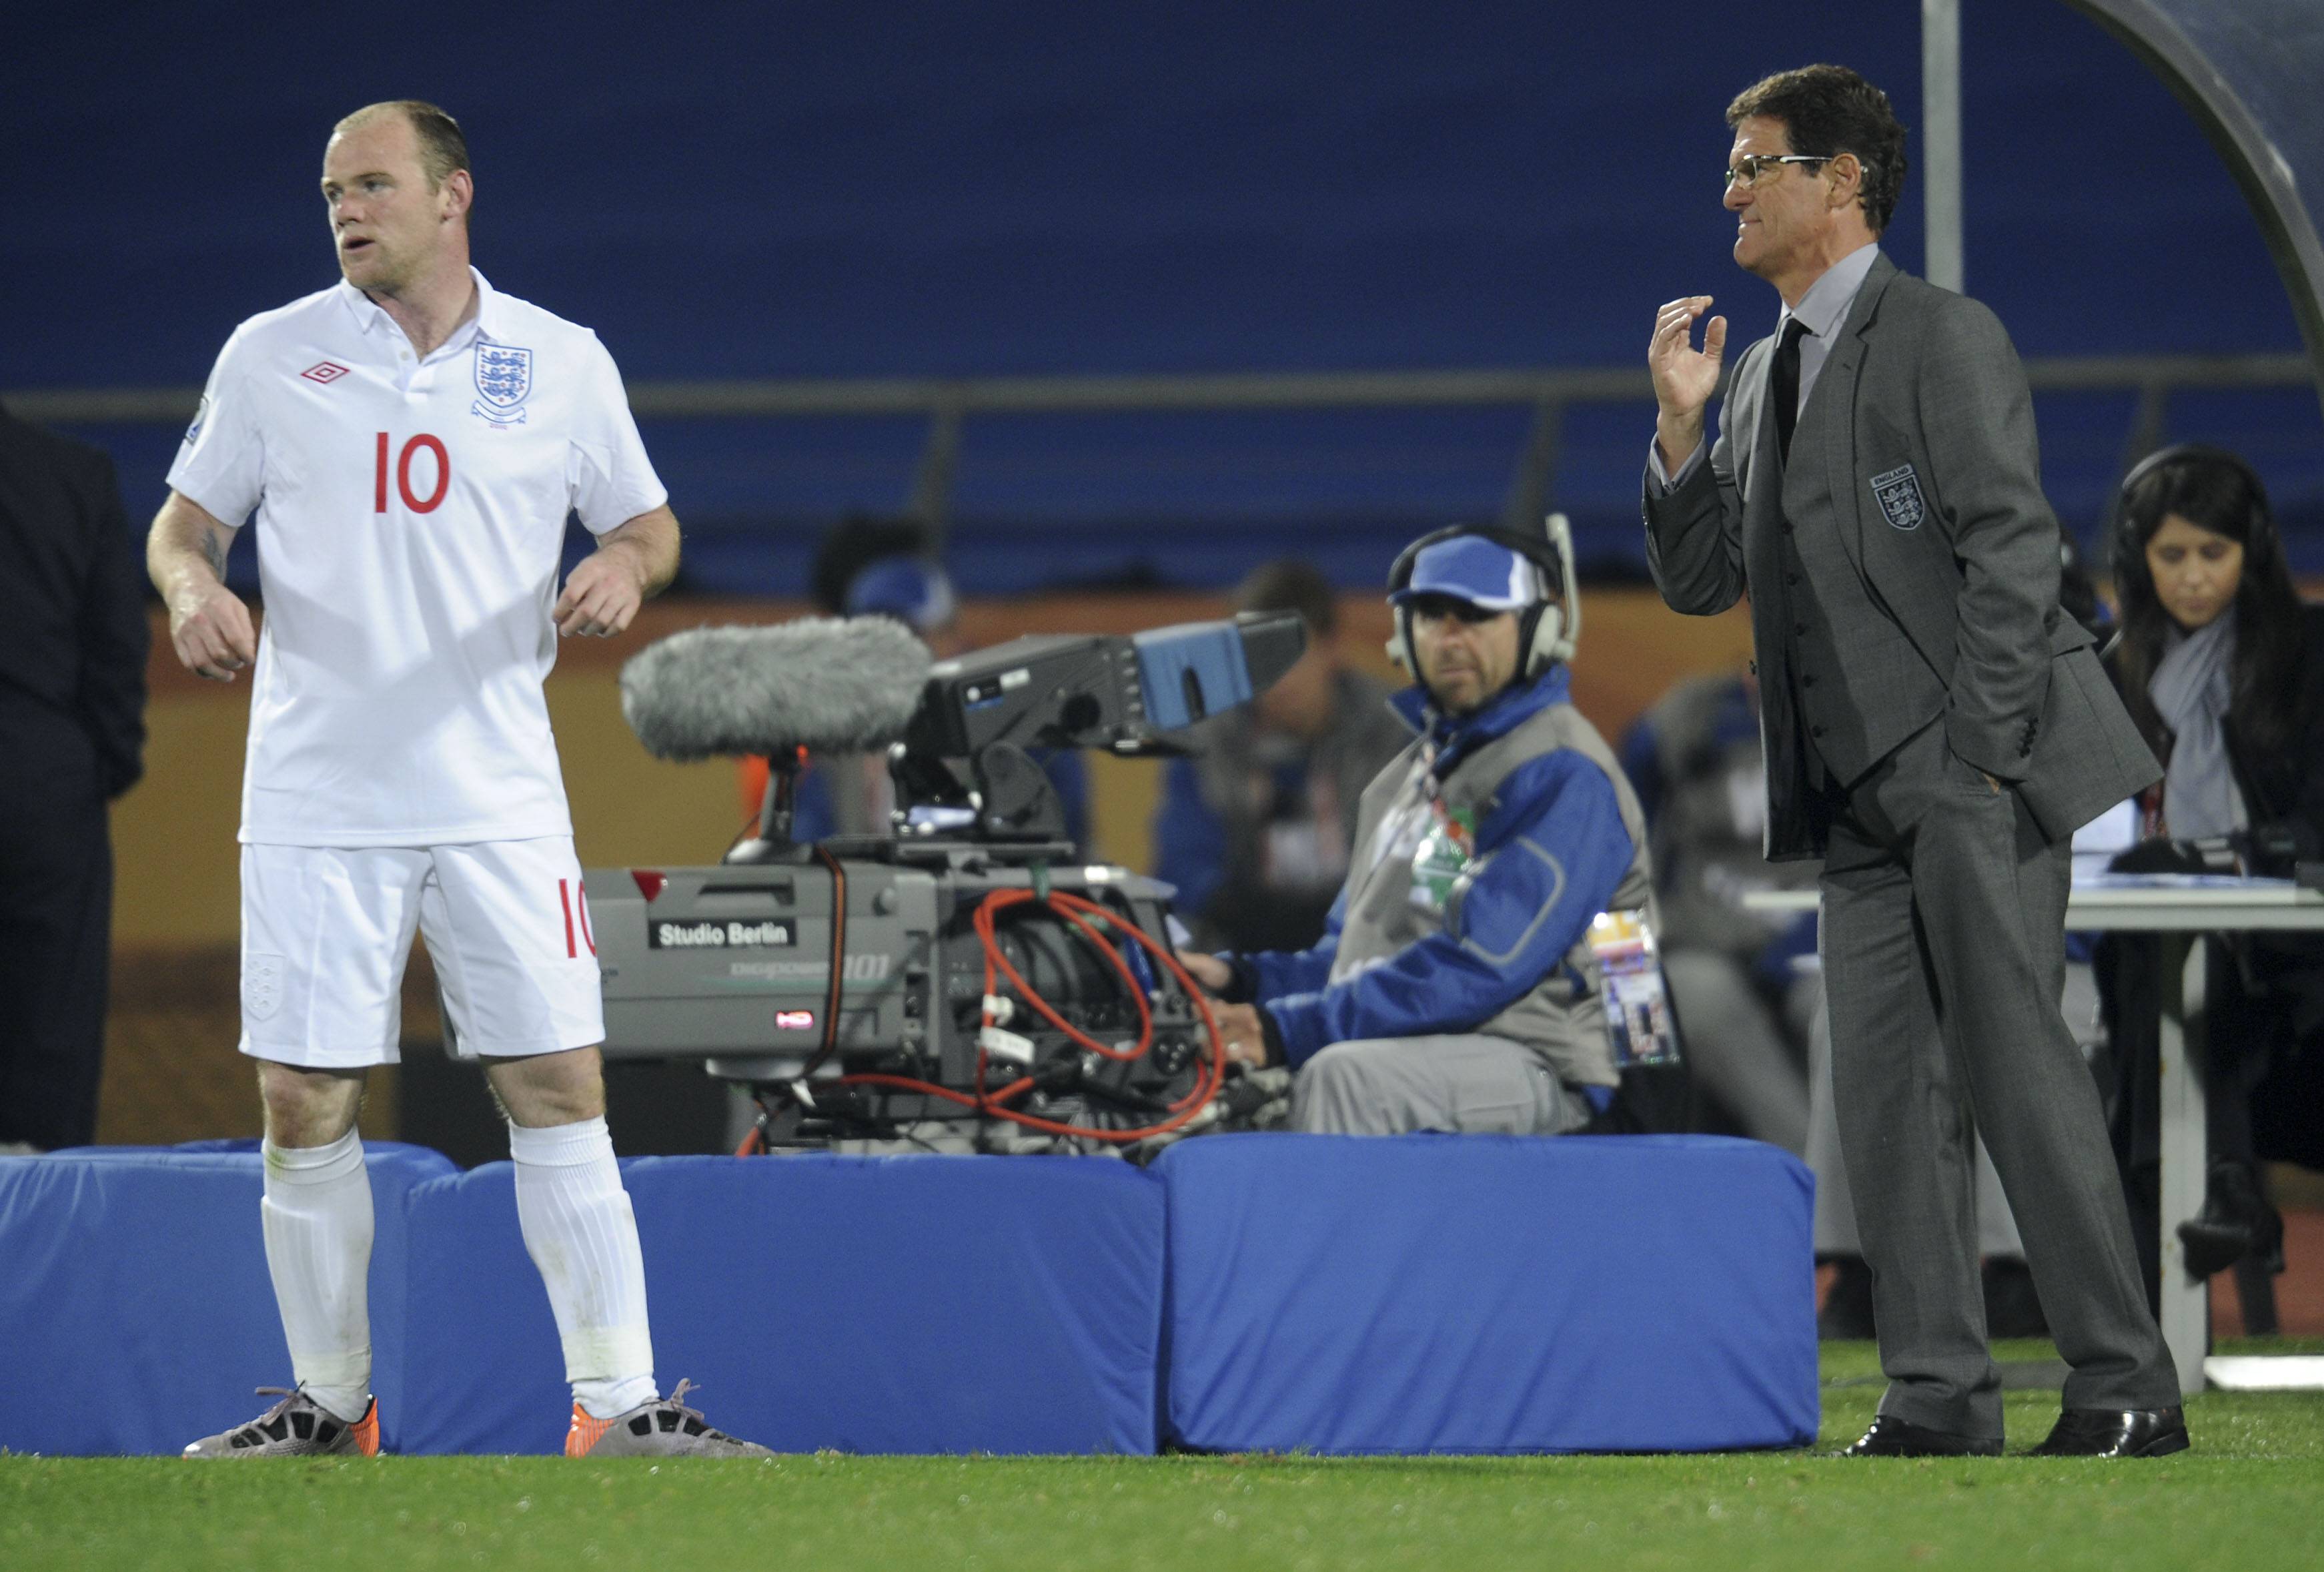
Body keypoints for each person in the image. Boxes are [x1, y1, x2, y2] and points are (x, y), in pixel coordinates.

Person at [148, 101, 766, 1459]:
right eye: (330, 193)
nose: (346, 210)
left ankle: (614, 1409)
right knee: (301, 1099)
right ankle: (328, 1407)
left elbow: (648, 519)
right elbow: (184, 525)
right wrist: (194, 587)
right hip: (316, 790)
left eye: (371, 184)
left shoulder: (559, 359)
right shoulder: (271, 355)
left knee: (558, 1081)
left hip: (497, 791)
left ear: (453, 195)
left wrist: (623, 564)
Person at [1642, 64, 2183, 1457]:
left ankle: (2125, 1381)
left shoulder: (1941, 335)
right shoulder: (1758, 370)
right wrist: (1682, 426)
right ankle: (1936, 1391)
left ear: (1837, 183)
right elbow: (1702, 583)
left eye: (1754, 164)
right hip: (1852, 799)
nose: (1731, 192)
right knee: (1879, 1095)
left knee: (2017, 1074)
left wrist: (1978, 760)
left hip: (1963, 772)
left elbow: (2012, 550)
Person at [1177, 526, 1654, 1136]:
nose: (1450, 638)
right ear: (1405, 635)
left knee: (1339, 1079)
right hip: (1451, 1046)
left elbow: (1481, 965)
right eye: (1432, 616)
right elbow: (1367, 960)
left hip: (1564, 1071)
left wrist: (1290, 1029)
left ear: (1538, 631)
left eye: (1476, 616)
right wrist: (1247, 982)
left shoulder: (1565, 774)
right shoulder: (1413, 778)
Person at [2098, 444, 2324, 1297]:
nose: (2192, 577)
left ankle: (2216, 1179)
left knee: (2168, 936)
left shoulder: (2309, 654)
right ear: (2136, 559)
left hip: (2298, 974)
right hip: (2174, 968)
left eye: (2213, 553)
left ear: (2254, 549)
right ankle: (2222, 1183)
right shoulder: (2112, 673)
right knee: (2152, 932)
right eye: (2170, 556)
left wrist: (2220, 858)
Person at [0, 402, 149, 1154]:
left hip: (51, 766)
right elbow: (118, 645)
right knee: (51, 1016)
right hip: (45, 778)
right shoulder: (72, 473)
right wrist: (94, 767)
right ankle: (38, 1232)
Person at [1153, 560, 1412, 953]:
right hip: (1237, 944)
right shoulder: (1203, 743)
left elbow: (1417, 867)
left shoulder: (1396, 732)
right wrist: (1236, 912)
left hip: (1368, 939)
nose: (1274, 680)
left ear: (1332, 648)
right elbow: (1183, 866)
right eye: (1255, 660)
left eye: (1290, 655)